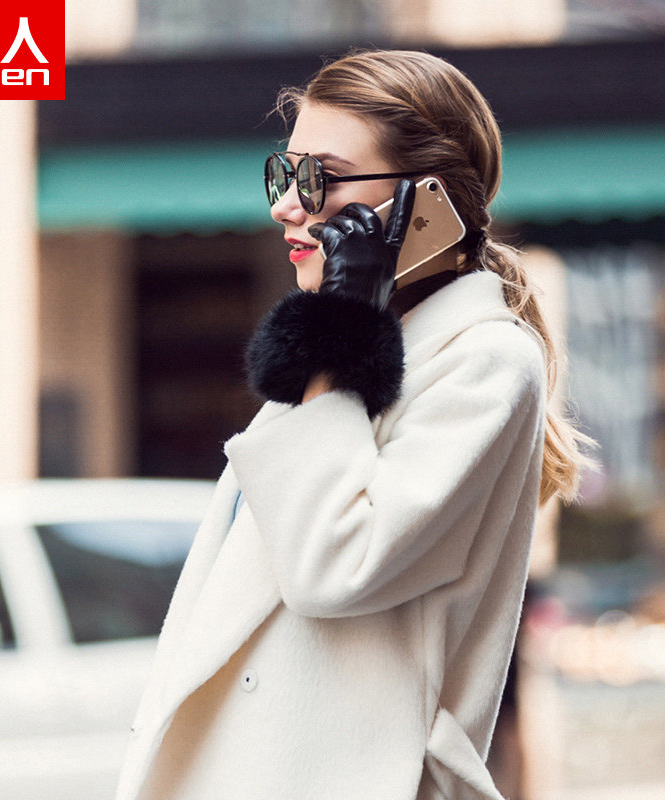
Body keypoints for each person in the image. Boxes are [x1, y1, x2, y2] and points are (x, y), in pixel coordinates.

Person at [115, 49, 588, 800]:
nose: (287, 206)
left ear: (426, 203)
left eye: (321, 178)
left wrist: (340, 325)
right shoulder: (345, 358)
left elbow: (333, 565)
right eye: (285, 174)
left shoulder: (486, 361)